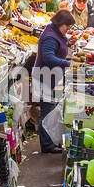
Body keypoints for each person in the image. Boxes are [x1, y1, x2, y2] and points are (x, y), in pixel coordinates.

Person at [33, 9, 75, 154]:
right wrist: (67, 63)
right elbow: (48, 57)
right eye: (67, 27)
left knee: (52, 109)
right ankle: (47, 145)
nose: (67, 30)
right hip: (45, 78)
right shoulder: (50, 37)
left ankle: (50, 142)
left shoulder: (55, 33)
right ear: (60, 23)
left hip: (53, 78)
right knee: (47, 111)